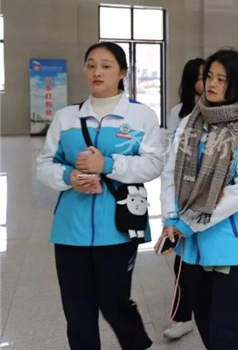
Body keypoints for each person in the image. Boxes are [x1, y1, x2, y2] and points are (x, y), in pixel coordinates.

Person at [36, 42, 166, 350]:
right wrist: (68, 177)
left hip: (119, 226)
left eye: (106, 66)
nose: (97, 71)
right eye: (91, 64)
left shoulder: (141, 115)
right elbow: (44, 163)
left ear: (122, 73)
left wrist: (107, 164)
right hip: (71, 229)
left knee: (114, 302)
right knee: (77, 310)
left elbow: (154, 164)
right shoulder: (67, 117)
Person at [157, 48, 238, 350]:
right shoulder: (189, 124)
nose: (212, 84)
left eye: (222, 79)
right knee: (206, 327)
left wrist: (189, 221)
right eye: (209, 77)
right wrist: (170, 218)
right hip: (191, 247)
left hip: (231, 246)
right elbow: (170, 173)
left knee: (226, 335)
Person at [161, 57, 205, 339]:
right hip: (183, 194)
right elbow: (169, 149)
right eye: (202, 77)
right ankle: (182, 316)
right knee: (182, 259)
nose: (209, 82)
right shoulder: (179, 113)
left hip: (212, 195)